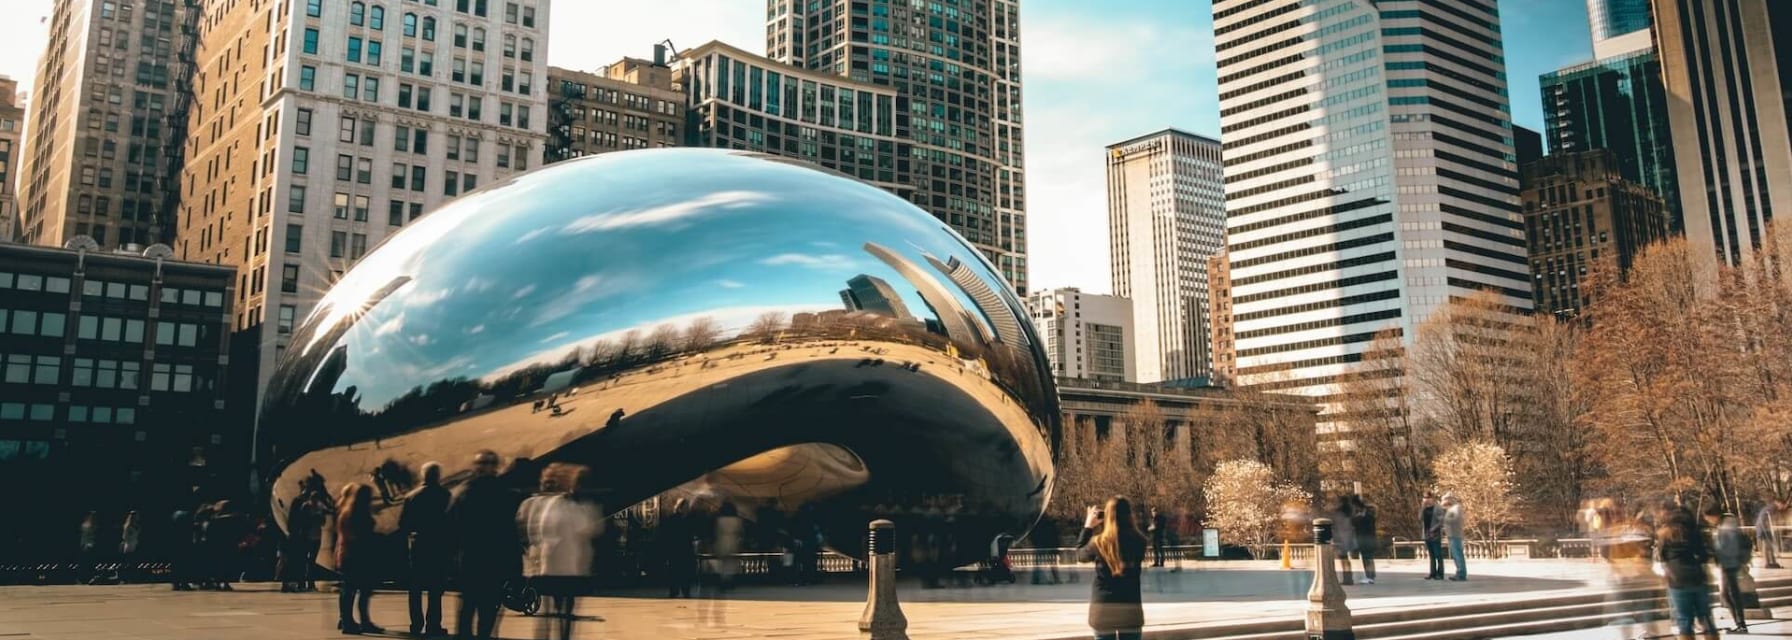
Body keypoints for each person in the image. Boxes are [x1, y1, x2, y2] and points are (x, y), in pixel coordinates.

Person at [518, 464, 602, 640]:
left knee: (564, 614)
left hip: (569, 565)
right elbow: (540, 531)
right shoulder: (551, 504)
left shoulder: (576, 505)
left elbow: (589, 530)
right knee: (550, 613)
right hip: (553, 564)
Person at [450, 450, 521, 640]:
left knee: (469, 606)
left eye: (487, 463)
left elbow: (449, 527)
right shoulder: (503, 492)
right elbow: (510, 531)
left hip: (472, 559)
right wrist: (515, 566)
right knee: (486, 608)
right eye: (484, 463)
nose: (485, 467)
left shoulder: (462, 491)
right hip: (489, 559)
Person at [1075, 496, 1147, 640]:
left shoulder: (1098, 543)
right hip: (1130, 609)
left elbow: (1080, 555)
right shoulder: (1139, 541)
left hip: (1103, 610)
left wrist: (1088, 526)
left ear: (1107, 516)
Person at [401, 462, 453, 637]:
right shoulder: (445, 495)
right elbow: (451, 522)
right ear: (438, 476)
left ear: (423, 476)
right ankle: (433, 625)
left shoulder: (411, 496)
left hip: (417, 545)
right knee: (435, 588)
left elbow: (403, 525)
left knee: (415, 588)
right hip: (438, 546)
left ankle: (416, 624)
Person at [1656, 505, 1718, 639]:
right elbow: (1704, 555)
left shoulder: (1664, 534)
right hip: (1697, 577)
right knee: (1705, 616)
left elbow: (1662, 557)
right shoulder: (1695, 533)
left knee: (1684, 619)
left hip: (1676, 579)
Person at [334, 484, 384, 635]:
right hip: (359, 555)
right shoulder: (359, 514)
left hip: (348, 554)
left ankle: (348, 620)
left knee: (350, 590)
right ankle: (359, 622)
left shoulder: (347, 512)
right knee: (361, 590)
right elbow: (360, 536)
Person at [1713, 513, 1754, 634]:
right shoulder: (1723, 524)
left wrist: (1722, 558)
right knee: (1727, 594)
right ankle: (1740, 624)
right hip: (1728, 563)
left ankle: (1741, 624)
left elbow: (1727, 546)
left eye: (1707, 517)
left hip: (1729, 564)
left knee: (1731, 594)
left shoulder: (1727, 524)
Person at [656, 498, 697, 598]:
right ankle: (680, 590)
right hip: (679, 549)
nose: (688, 509)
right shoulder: (680, 520)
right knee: (679, 570)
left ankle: (679, 590)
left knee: (679, 570)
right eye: (686, 507)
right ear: (680, 508)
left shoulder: (678, 519)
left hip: (680, 550)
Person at [1349, 495, 1378, 584]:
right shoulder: (1369, 516)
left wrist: (1358, 517)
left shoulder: (1366, 517)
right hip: (1369, 539)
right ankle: (1370, 576)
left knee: (1367, 558)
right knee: (1368, 558)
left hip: (1365, 539)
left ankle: (1369, 576)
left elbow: (1354, 523)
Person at [1330, 496, 1357, 585]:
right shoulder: (1349, 513)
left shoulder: (1339, 514)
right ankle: (1348, 577)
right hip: (1348, 537)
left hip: (1341, 538)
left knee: (1343, 558)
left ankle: (1347, 578)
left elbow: (1338, 527)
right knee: (1345, 559)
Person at [1442, 493, 1467, 581]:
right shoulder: (1450, 509)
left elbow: (1455, 519)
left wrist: (1444, 519)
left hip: (1456, 535)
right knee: (1456, 555)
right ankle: (1459, 572)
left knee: (1458, 554)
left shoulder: (1456, 508)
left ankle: (1461, 574)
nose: (1443, 503)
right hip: (1451, 535)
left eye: (1444, 500)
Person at [1421, 493, 1445, 580]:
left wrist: (1434, 527)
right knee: (1431, 555)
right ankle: (1432, 573)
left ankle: (1440, 573)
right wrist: (1422, 507)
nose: (1426, 499)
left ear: (1432, 498)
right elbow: (1419, 518)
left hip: (1435, 534)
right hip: (1427, 534)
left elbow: (1441, 521)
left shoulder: (1437, 508)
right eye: (1424, 498)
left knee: (1438, 555)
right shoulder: (1424, 508)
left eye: (1428, 497)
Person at [116, 511, 140, 584]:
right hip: (129, 546)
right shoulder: (128, 526)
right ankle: (124, 579)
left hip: (134, 545)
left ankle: (130, 578)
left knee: (133, 564)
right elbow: (124, 537)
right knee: (127, 563)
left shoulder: (137, 525)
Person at [1757, 500, 1782, 569]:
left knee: (1769, 546)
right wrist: (1766, 528)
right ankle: (1767, 563)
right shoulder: (1771, 508)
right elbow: (1766, 518)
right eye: (1781, 504)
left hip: (1764, 528)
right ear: (1778, 502)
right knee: (1766, 546)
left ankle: (1771, 562)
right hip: (1763, 528)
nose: (1782, 507)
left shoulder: (1771, 507)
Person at [77, 512, 99, 585]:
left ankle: (84, 578)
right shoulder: (88, 525)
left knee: (87, 563)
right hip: (88, 545)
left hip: (86, 544)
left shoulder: (86, 525)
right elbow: (86, 536)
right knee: (88, 563)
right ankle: (86, 578)